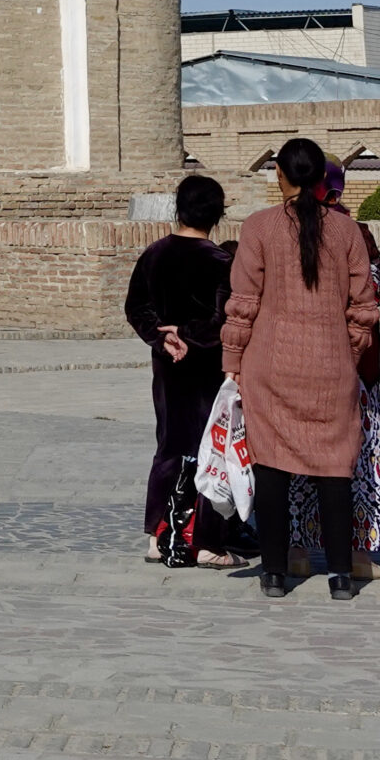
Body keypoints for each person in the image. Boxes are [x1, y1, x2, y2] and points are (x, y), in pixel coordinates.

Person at [223, 137, 380, 599]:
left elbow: (243, 304)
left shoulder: (259, 227)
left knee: (270, 467)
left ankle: (273, 571)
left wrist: (232, 360)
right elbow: (364, 307)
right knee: (335, 469)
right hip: (330, 366)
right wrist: (346, 353)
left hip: (270, 364)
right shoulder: (347, 232)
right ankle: (340, 575)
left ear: (280, 176)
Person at [123, 173, 244, 569]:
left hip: (168, 369)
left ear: (179, 209)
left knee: (171, 445)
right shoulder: (221, 262)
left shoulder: (153, 254)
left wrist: (163, 339)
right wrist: (188, 334)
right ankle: (207, 542)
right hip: (209, 370)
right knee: (212, 449)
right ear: (217, 214)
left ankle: (158, 536)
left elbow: (136, 308)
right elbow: (222, 319)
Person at [287, 161, 380, 581]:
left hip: (296, 363)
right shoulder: (355, 233)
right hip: (352, 366)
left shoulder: (283, 229)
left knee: (293, 451)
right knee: (357, 457)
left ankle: (295, 551)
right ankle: (357, 554)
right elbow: (374, 293)